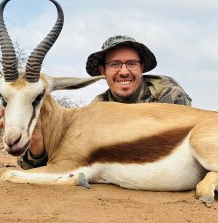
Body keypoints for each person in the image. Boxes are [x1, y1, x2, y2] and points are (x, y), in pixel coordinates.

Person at [7, 35, 192, 169]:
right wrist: (38, 140)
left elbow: (179, 150)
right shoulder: (97, 106)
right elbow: (67, 162)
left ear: (141, 68)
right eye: (115, 64)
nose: (124, 71)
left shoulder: (168, 93)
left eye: (131, 63)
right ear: (103, 71)